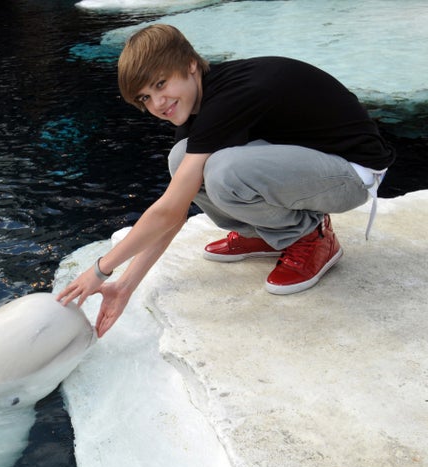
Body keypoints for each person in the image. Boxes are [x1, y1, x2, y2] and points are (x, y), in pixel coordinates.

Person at [57, 24, 395, 337]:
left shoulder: (231, 97)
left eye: (160, 84)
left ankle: (312, 236)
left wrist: (101, 269)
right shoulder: (201, 106)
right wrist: (125, 285)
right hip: (312, 166)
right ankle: (270, 234)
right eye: (145, 97)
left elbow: (168, 211)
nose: (157, 103)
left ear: (190, 65)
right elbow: (174, 215)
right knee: (183, 159)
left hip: (354, 173)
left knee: (224, 170)